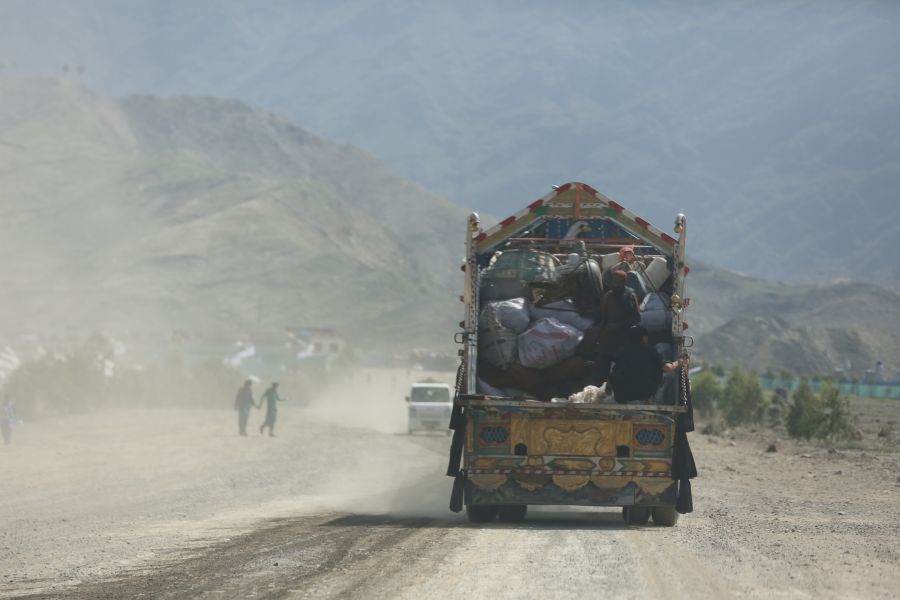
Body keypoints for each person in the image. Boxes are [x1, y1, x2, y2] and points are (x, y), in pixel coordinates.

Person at [578, 270, 641, 385]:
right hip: (608, 341)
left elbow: (637, 318)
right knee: (600, 370)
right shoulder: (608, 296)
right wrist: (598, 337)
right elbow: (604, 319)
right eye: (614, 282)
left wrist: (620, 325)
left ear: (624, 282)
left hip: (623, 340)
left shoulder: (629, 295)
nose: (616, 285)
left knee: (622, 372)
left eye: (619, 282)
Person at [608, 326, 680, 403]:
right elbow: (667, 368)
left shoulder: (622, 351)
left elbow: (614, 372)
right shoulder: (649, 350)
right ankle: (662, 403)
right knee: (671, 376)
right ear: (643, 338)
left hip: (621, 395)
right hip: (644, 394)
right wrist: (678, 362)